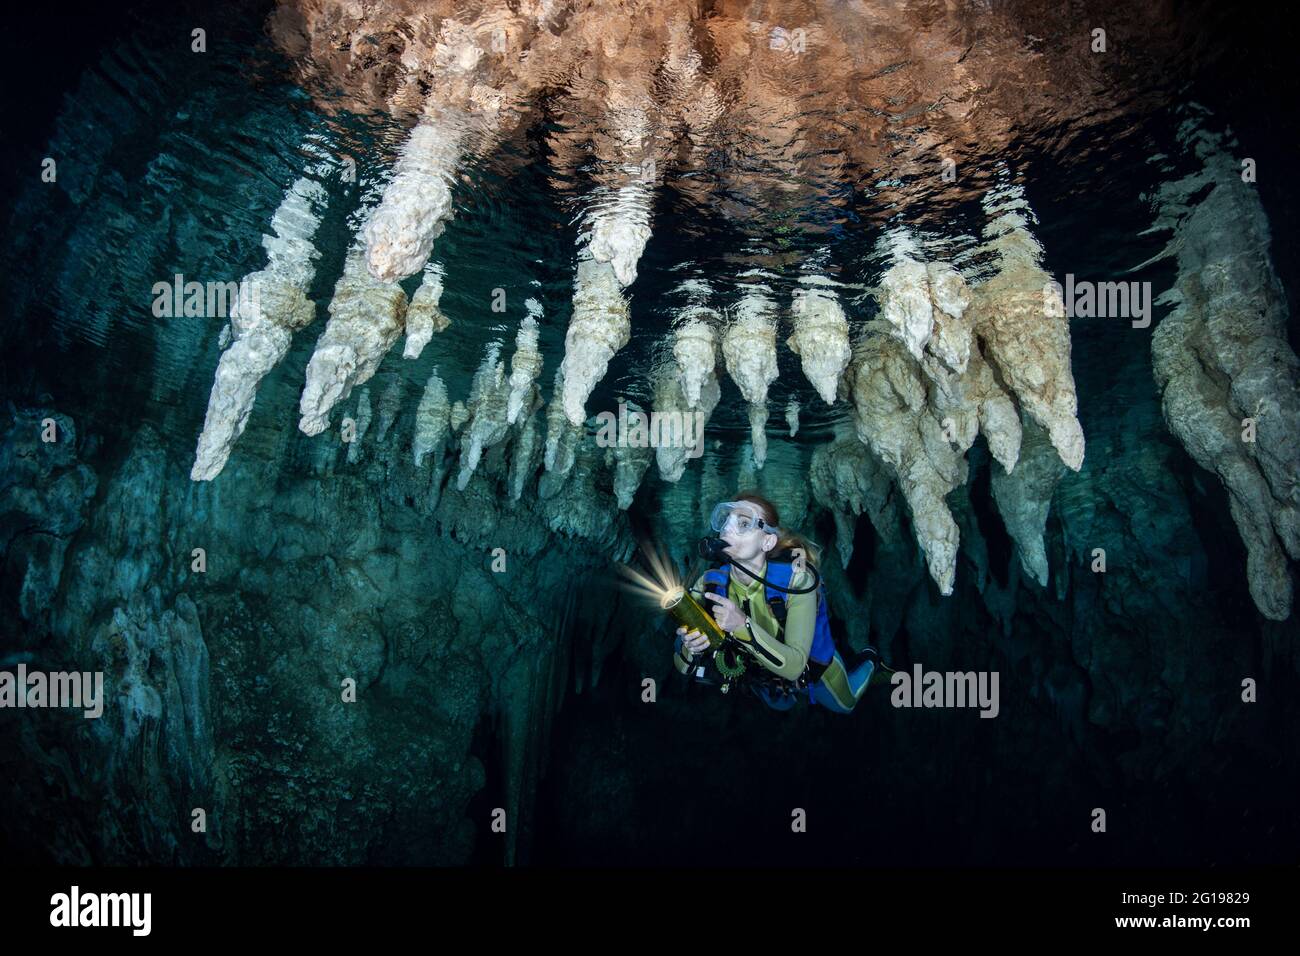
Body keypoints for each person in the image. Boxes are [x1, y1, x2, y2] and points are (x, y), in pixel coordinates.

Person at [673, 491, 882, 713]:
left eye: (743, 523)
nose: (727, 528)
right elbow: (683, 668)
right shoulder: (708, 584)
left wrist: (741, 625)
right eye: (725, 520)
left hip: (810, 670)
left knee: (846, 705)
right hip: (760, 674)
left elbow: (794, 667)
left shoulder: (797, 580)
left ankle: (870, 658)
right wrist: (691, 649)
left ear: (767, 541)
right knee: (780, 704)